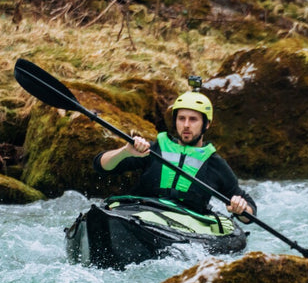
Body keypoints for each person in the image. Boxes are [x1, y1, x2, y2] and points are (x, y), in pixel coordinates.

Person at [94, 89, 256, 220]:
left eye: (193, 119)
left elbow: (249, 213)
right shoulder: (154, 150)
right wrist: (124, 152)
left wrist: (240, 207)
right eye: (181, 118)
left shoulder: (214, 164)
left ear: (206, 124)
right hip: (142, 214)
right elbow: (101, 165)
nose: (186, 125)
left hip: (185, 224)